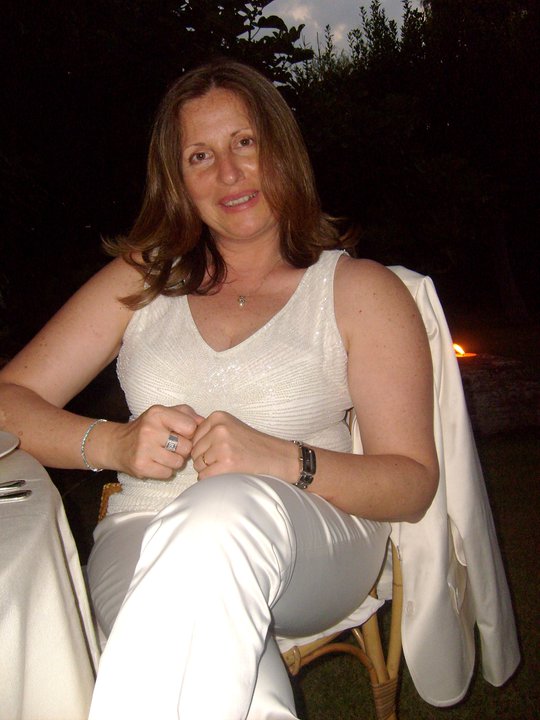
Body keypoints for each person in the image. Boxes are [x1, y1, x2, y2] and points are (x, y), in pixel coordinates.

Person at [0, 60, 438, 719]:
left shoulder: (358, 289)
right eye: (200, 156)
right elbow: (8, 399)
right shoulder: (144, 279)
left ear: (281, 150)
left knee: (224, 507)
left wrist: (281, 459)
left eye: (244, 143)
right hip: (144, 532)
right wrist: (114, 444)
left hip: (315, 537)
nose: (228, 174)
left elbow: (411, 484)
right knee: (221, 672)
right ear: (177, 181)